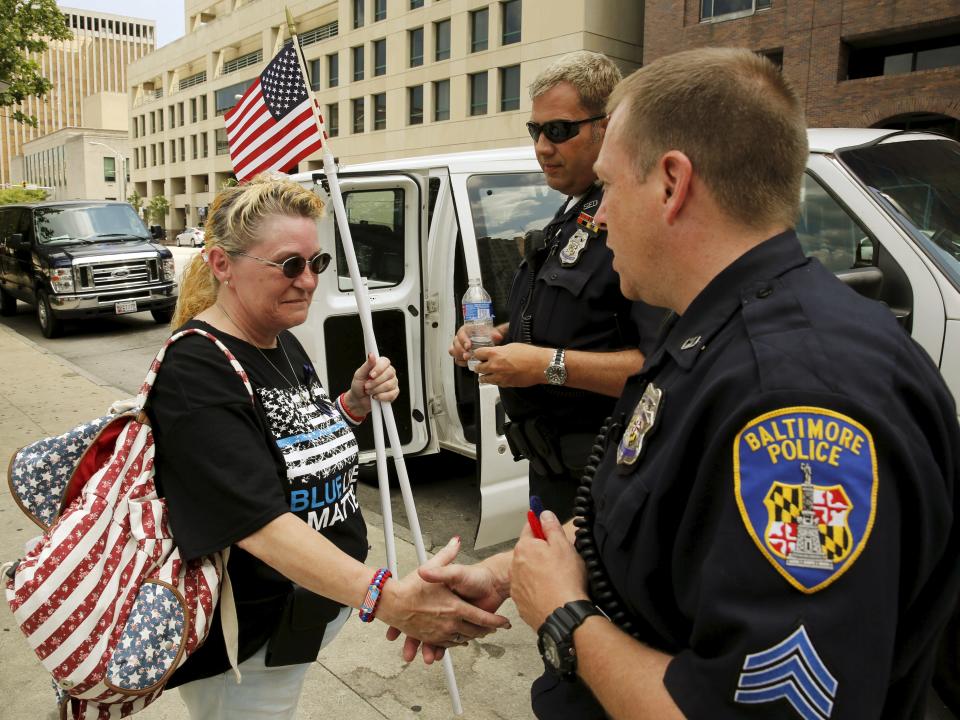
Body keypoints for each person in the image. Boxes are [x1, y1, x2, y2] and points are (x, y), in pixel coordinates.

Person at [421, 48, 960, 718]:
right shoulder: (719, 331)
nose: (602, 216)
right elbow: (662, 515)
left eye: (612, 188)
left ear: (672, 184)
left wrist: (562, 617)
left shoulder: (796, 406)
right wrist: (512, 572)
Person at [150, 177, 509, 719]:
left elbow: (289, 445)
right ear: (222, 264)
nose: (308, 281)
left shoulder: (278, 337)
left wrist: (353, 404)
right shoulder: (196, 368)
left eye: (316, 262)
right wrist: (389, 599)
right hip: (246, 645)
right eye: (288, 265)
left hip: (304, 614)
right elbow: (256, 520)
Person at [448, 50, 664, 519]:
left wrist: (546, 365)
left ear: (606, 127)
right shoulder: (572, 213)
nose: (543, 146)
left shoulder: (633, 218)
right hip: (551, 469)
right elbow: (570, 320)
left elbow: (661, 369)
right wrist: (500, 337)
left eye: (559, 130)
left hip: (606, 477)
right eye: (536, 131)